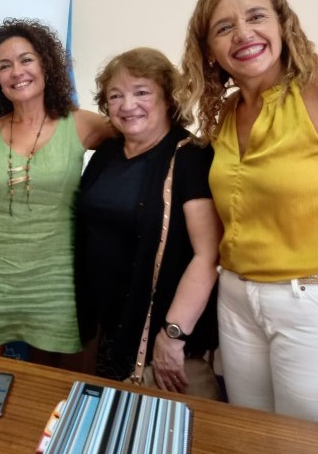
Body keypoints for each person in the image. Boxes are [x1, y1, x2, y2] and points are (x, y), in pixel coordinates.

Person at [178, 0, 318, 427]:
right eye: (223, 27)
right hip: (237, 302)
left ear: (283, 25)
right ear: (209, 50)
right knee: (251, 438)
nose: (243, 33)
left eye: (255, 17)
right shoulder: (227, 114)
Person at [0, 18, 111, 366]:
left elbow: (144, 140)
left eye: (26, 59)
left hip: (56, 282)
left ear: (46, 65)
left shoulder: (81, 124)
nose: (16, 71)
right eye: (4, 66)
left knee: (45, 397)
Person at [74, 48, 221, 398]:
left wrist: (173, 335)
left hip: (163, 344)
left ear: (168, 99)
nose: (128, 105)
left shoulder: (190, 157)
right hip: (102, 336)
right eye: (115, 95)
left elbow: (208, 255)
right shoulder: (105, 156)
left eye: (141, 92)